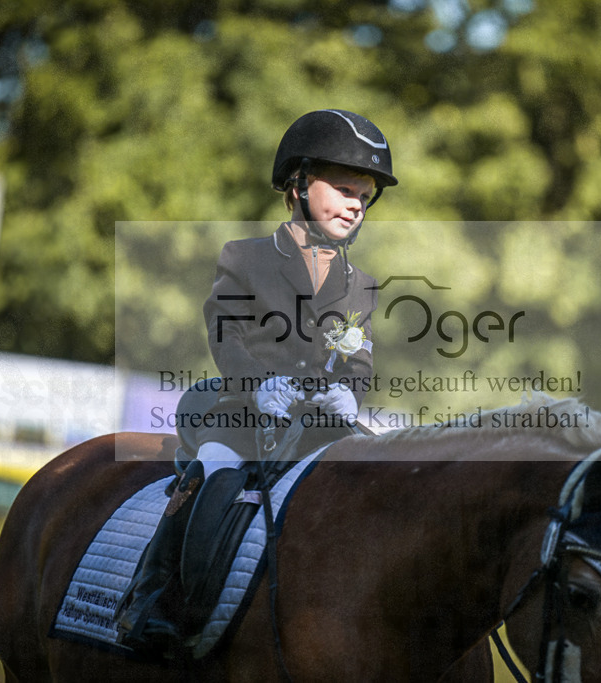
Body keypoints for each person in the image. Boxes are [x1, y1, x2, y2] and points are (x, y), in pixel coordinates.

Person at [116, 109, 398, 652]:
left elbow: (358, 356)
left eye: (364, 195)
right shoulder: (245, 258)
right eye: (342, 189)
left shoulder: (360, 285)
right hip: (245, 413)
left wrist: (350, 391)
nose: (356, 203)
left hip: (320, 426)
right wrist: (258, 384)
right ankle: (157, 601)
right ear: (297, 186)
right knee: (215, 472)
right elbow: (226, 333)